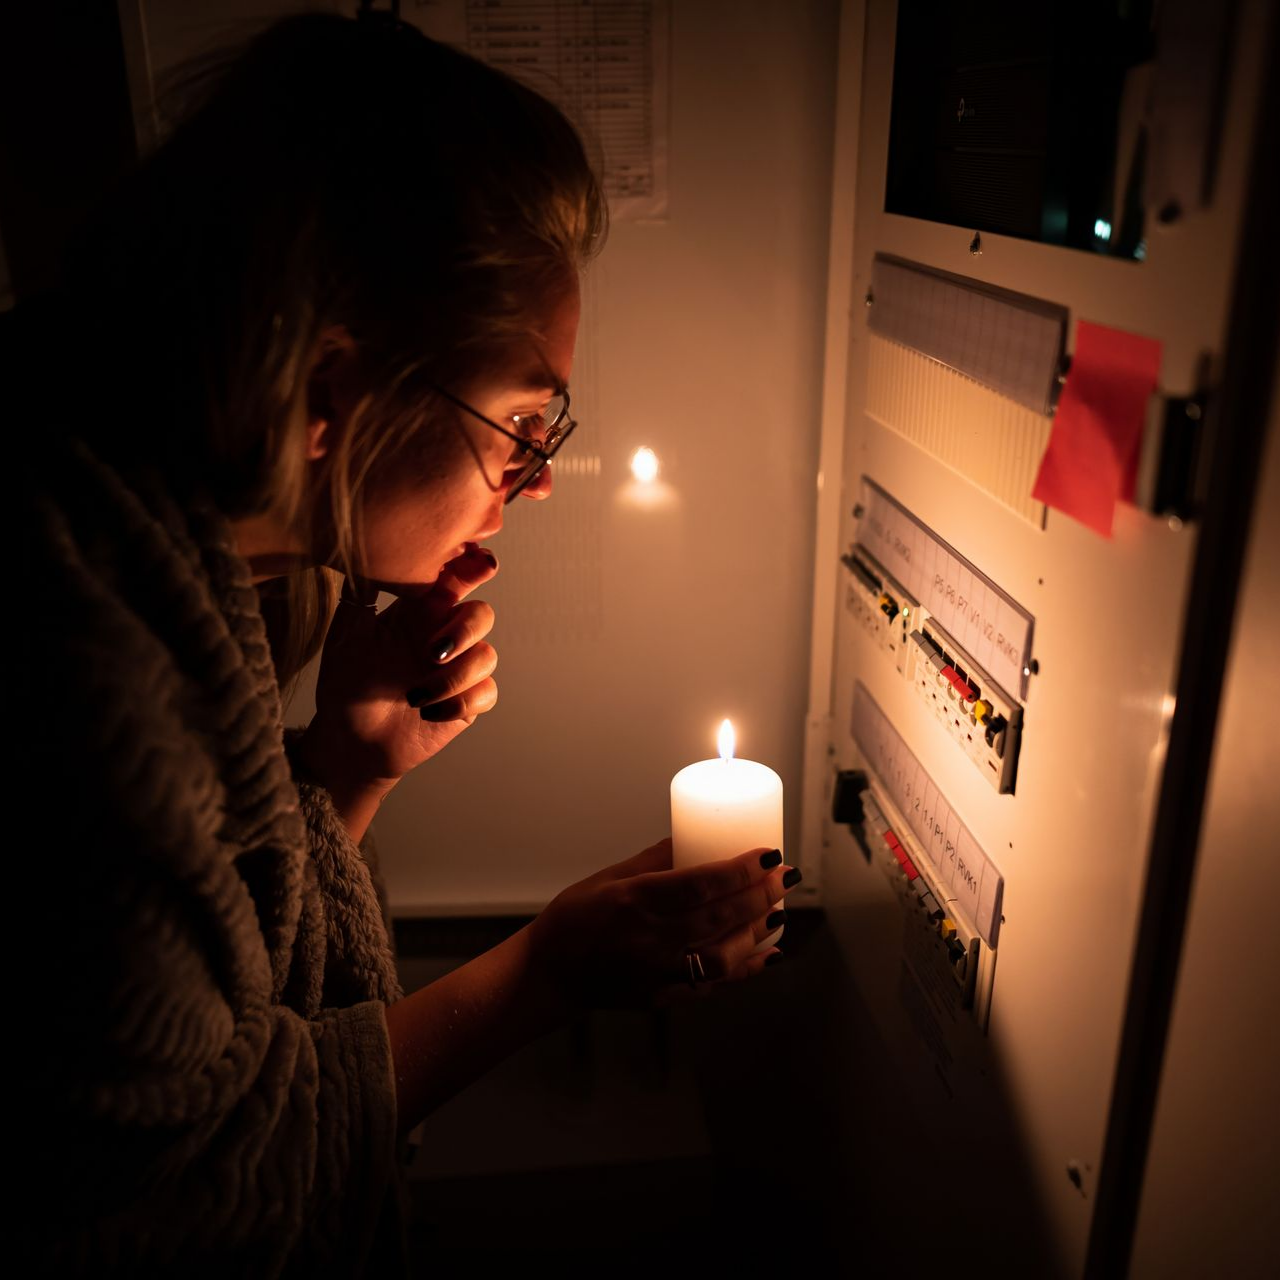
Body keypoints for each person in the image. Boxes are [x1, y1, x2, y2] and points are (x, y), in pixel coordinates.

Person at [12, 11, 800, 1275]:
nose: (533, 481)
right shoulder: (71, 667)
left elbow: (195, 994)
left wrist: (345, 767)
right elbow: (176, 1194)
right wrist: (548, 971)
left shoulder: (156, 529)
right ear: (333, 393)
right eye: (521, 425)